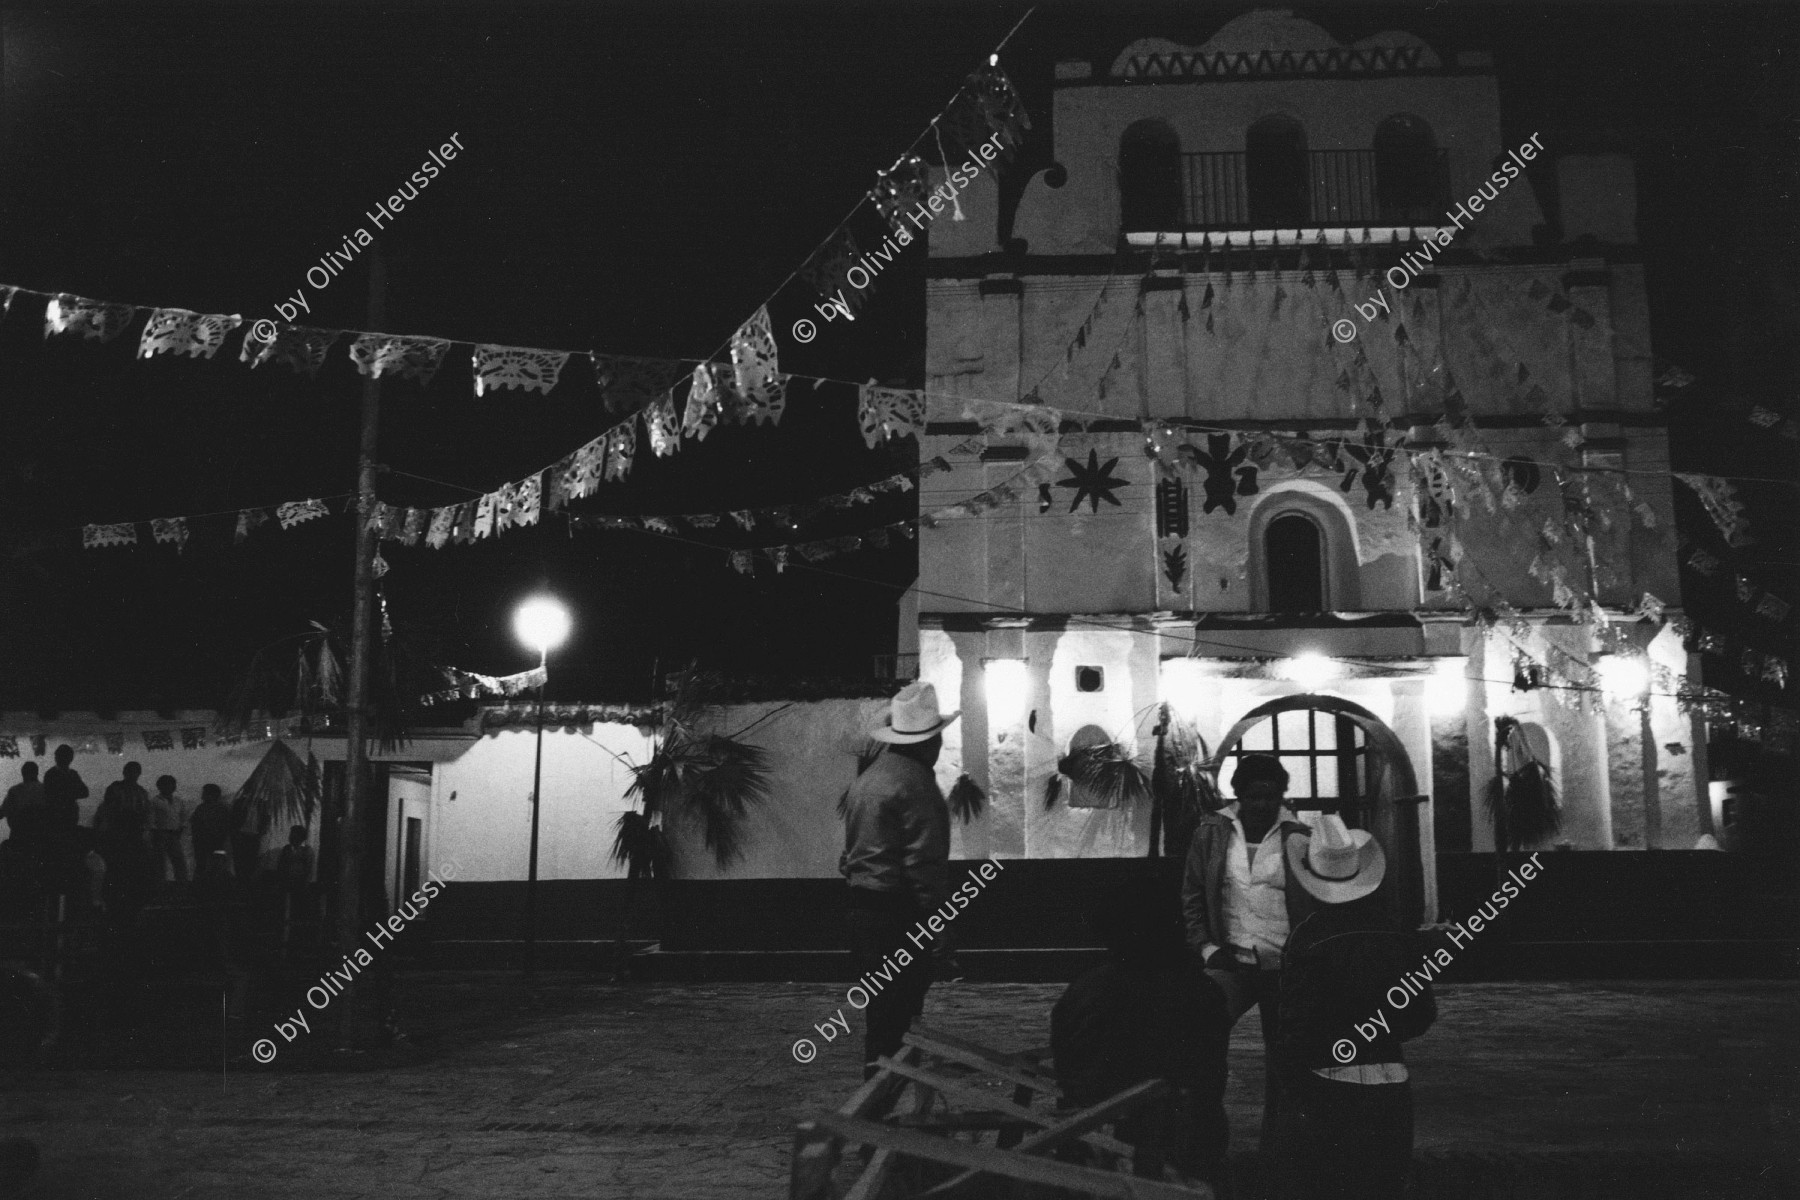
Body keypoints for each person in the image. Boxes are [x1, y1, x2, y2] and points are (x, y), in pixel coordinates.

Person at [1275, 814, 1434, 1200]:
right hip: (1393, 1079)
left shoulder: (1306, 939)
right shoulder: (1398, 935)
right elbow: (1421, 1014)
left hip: (1328, 1080)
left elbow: (1295, 1025)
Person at [1052, 874, 1231, 1185]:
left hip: (1093, 1149)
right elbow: (1210, 1081)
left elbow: (1069, 1075)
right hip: (1184, 1149)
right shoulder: (1204, 993)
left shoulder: (1085, 991)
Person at [1180, 753, 1315, 1153]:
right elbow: (1192, 895)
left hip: (1286, 965)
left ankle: (1280, 1150)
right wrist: (1206, 949)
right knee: (1202, 1044)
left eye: (1270, 796)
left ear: (1281, 796)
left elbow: (1313, 898)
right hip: (1230, 962)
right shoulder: (1211, 833)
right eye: (1253, 796)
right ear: (1237, 795)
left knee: (1287, 1060)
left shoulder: (1300, 836)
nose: (1261, 804)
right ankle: (1206, 1142)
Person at [840, 681, 957, 1078]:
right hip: (899, 915)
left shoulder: (869, 779)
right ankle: (881, 1104)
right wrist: (938, 923)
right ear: (929, 742)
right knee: (903, 1017)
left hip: (863, 910)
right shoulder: (919, 785)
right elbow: (924, 865)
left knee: (881, 1013)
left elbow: (850, 853)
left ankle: (875, 1095)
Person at [92, 762, 153, 923]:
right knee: (121, 868)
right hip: (121, 835)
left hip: (126, 835)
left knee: (122, 868)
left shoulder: (136, 792)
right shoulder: (135, 792)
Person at [189, 784, 233, 889]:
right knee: (206, 865)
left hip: (215, 843)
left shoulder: (217, 809)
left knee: (213, 865)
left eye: (204, 793)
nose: (202, 796)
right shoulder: (205, 808)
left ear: (212, 795)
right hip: (210, 843)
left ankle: (209, 887)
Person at [149, 774, 190, 885]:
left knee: (179, 861)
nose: (171, 787)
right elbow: (151, 820)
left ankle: (181, 886)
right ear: (160, 786)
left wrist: (181, 829)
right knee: (160, 863)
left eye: (172, 784)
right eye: (167, 784)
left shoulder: (179, 801)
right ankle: (161, 886)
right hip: (160, 835)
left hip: (174, 835)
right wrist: (156, 832)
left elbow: (184, 817)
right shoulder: (155, 801)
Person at [0, 764, 48, 859]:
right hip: (41, 834)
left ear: (22, 774)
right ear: (37, 773)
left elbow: (3, 811)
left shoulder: (14, 791)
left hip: (19, 836)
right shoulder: (46, 790)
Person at [229, 789, 267, 888]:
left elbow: (266, 820)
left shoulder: (262, 804)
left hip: (254, 836)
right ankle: (241, 883)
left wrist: (261, 833)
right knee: (240, 861)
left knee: (251, 862)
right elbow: (233, 819)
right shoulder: (240, 803)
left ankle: (246, 884)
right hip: (241, 835)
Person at [276, 825, 313, 893]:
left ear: (300, 837)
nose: (290, 837)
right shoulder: (286, 848)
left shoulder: (307, 850)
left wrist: (304, 883)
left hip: (300, 885)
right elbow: (281, 865)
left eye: (293, 835)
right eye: (290, 835)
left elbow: (308, 869)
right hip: (285, 884)